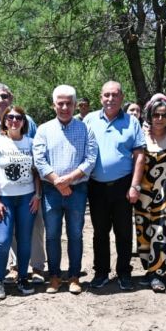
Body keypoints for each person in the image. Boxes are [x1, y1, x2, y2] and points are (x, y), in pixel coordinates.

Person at [33, 85, 98, 294]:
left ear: (74, 104)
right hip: (51, 191)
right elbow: (39, 160)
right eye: (60, 103)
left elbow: (90, 158)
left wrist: (69, 180)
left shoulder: (85, 128)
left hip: (77, 190)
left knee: (75, 235)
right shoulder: (43, 130)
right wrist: (58, 182)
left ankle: (74, 276)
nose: (64, 107)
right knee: (52, 235)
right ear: (53, 105)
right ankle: (54, 276)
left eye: (68, 103)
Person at [84, 80, 146, 290]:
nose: (110, 99)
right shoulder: (90, 120)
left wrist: (135, 186)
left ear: (121, 97)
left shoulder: (132, 122)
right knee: (100, 232)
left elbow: (139, 156)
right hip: (96, 186)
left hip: (123, 185)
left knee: (123, 232)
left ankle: (124, 272)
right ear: (101, 97)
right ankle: (101, 272)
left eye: (115, 95)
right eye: (107, 95)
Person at [0, 82, 45, 282]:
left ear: (11, 98)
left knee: (32, 231)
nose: (1, 100)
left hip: (27, 192)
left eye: (4, 96)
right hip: (3, 193)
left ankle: (36, 267)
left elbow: (36, 161)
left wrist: (37, 193)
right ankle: (16, 267)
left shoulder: (29, 124)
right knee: (6, 236)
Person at [134, 96, 166, 291]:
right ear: (149, 116)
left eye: (163, 115)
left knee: (161, 232)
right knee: (143, 232)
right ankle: (148, 270)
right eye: (155, 114)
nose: (159, 118)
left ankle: (158, 273)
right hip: (142, 194)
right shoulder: (140, 135)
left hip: (165, 193)